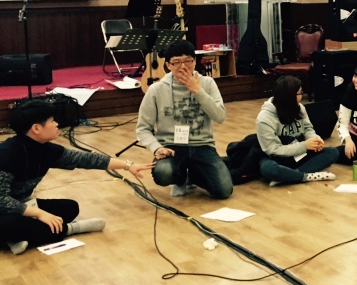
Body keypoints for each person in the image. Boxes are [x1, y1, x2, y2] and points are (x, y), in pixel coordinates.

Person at [1, 99, 154, 255]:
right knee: (11, 225)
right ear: (36, 128)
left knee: (69, 208)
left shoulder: (47, 150)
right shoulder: (7, 154)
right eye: (52, 121)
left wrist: (127, 165)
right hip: (3, 209)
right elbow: (1, 199)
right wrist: (40, 214)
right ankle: (70, 229)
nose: (57, 124)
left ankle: (18, 237)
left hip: (20, 206)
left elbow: (85, 159)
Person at [136, 40, 233, 199]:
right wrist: (156, 148)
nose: (183, 66)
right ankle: (180, 178)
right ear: (168, 65)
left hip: (202, 145)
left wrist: (198, 91)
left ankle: (193, 174)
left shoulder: (207, 83)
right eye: (176, 62)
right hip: (171, 146)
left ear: (194, 61)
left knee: (223, 190)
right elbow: (143, 128)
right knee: (163, 173)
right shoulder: (156, 89)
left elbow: (220, 116)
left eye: (188, 61)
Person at [256, 76, 338, 186]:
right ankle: (304, 176)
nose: (302, 96)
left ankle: (288, 176)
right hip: (278, 158)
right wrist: (304, 146)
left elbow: (308, 128)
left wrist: (315, 139)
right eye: (300, 93)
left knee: (332, 152)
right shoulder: (264, 119)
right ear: (289, 96)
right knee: (268, 169)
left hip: (300, 155)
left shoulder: (299, 108)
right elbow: (273, 150)